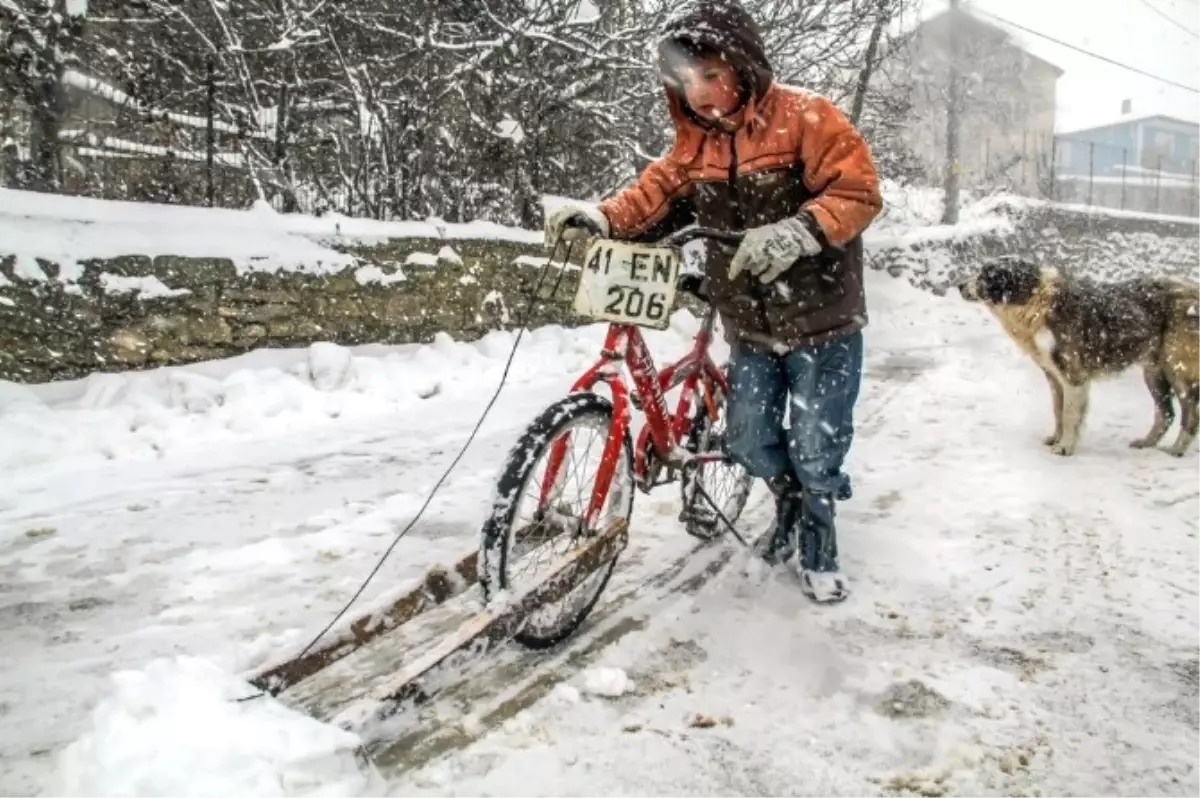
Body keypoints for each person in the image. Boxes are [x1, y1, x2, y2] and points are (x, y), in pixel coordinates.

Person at [544, 0, 883, 603]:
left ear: (744, 65)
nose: (698, 93)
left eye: (710, 75)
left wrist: (800, 230)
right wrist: (598, 217)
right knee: (749, 439)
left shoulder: (807, 117)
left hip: (823, 321)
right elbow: (649, 198)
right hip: (750, 326)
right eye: (684, 81)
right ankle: (786, 501)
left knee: (816, 445)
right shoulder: (691, 147)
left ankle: (818, 537)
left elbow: (857, 189)